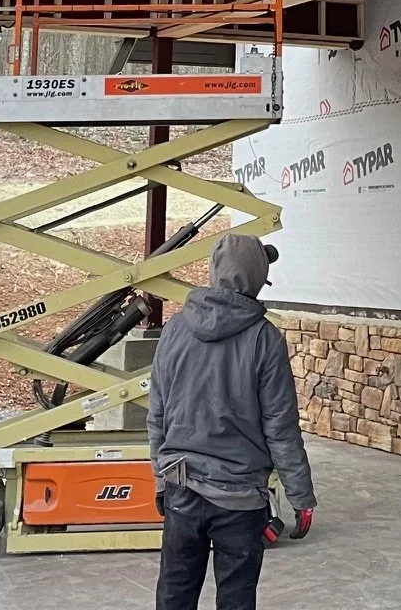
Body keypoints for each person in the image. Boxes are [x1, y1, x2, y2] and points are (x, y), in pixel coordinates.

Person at [147, 234, 315, 610]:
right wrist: (301, 497)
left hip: (182, 489)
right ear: (257, 279)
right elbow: (280, 427)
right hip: (240, 499)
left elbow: (156, 415)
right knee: (237, 599)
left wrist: (161, 478)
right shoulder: (265, 339)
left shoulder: (174, 330)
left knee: (174, 594)